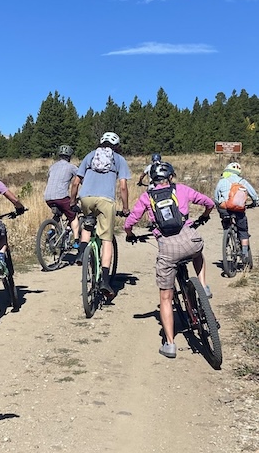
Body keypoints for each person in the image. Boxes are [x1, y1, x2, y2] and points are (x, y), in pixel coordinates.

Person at [124, 161, 214, 360]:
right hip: (190, 240)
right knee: (197, 251)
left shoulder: (147, 197)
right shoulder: (182, 189)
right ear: (171, 177)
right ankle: (203, 285)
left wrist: (130, 234)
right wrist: (204, 216)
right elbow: (209, 202)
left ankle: (170, 345)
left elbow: (130, 222)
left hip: (168, 249)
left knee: (165, 297)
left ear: (152, 179)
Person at [70, 132, 131, 296]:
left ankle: (81, 253)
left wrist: (73, 201)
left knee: (87, 225)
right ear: (117, 146)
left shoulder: (90, 156)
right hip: (106, 200)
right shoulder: (119, 159)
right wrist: (125, 207)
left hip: (86, 197)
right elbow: (123, 186)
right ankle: (105, 280)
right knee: (106, 239)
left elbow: (76, 182)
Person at [214, 162, 259, 263]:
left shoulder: (222, 181)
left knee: (226, 222)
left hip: (225, 208)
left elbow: (216, 197)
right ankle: (245, 254)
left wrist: (218, 205)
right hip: (238, 209)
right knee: (243, 231)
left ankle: (227, 236)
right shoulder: (242, 181)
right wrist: (255, 203)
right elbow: (254, 196)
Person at [43, 144, 80, 249]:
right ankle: (76, 241)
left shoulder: (52, 167)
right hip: (61, 196)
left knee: (58, 213)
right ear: (70, 156)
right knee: (73, 216)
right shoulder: (71, 167)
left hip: (48, 197)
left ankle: (52, 230)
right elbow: (81, 178)